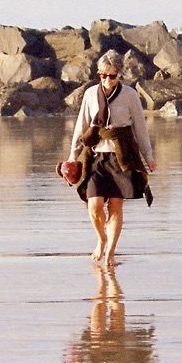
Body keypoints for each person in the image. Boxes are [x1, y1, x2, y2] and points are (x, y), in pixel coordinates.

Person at [67, 50, 156, 269]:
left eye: (112, 75)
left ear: (119, 74)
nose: (107, 79)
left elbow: (140, 128)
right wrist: (72, 155)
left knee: (116, 206)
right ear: (98, 74)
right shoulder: (90, 94)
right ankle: (101, 239)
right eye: (103, 75)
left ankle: (110, 254)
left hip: (121, 156)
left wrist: (148, 156)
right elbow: (82, 125)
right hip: (96, 156)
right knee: (94, 205)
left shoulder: (130, 95)